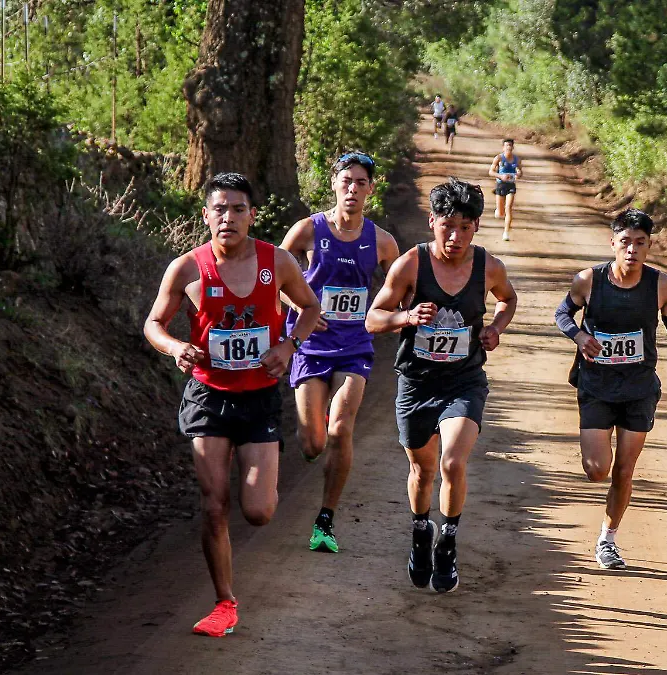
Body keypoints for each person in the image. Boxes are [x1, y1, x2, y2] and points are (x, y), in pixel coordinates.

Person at [143, 172, 321, 636]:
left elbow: (310, 308)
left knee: (258, 511)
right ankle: (225, 603)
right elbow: (153, 324)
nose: (228, 217)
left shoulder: (277, 262)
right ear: (206, 216)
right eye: (219, 209)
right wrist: (175, 347)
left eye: (238, 209)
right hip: (208, 397)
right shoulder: (185, 268)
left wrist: (288, 346)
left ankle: (265, 477)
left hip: (258, 399)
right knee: (214, 504)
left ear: (252, 216)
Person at [365, 177, 517, 593]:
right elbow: (373, 319)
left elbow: (507, 299)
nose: (455, 236)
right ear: (432, 221)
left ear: (477, 227)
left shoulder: (489, 267)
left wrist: (496, 328)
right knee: (422, 469)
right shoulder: (411, 264)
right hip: (416, 382)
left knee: (452, 463)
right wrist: (406, 318)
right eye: (447, 225)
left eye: (465, 227)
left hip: (464, 381)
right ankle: (420, 531)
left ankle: (447, 542)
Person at [553, 208, 667, 570]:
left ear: (649, 247)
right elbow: (562, 315)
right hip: (597, 384)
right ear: (613, 242)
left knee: (624, 470)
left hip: (639, 387)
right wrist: (580, 335)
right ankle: (594, 449)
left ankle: (608, 539)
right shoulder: (589, 280)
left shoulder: (661, 284)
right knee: (597, 469)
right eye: (626, 242)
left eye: (640, 243)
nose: (632, 249)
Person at [279, 152, 400, 553]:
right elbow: (275, 276)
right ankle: (319, 425)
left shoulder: (382, 242)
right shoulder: (307, 230)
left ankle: (325, 520)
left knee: (341, 430)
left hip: (354, 345)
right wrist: (301, 308)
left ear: (370, 189)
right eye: (346, 181)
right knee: (312, 443)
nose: (352, 189)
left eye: (361, 182)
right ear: (333, 183)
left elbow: (400, 287)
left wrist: (394, 313)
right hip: (310, 344)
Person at [488, 139, 522, 241]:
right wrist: (500, 176)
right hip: (500, 185)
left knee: (508, 208)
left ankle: (506, 232)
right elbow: (491, 172)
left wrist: (518, 173)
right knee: (501, 213)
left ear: (513, 147)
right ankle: (498, 210)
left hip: (511, 185)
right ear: (503, 147)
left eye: (510, 145)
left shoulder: (517, 159)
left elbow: (520, 171)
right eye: (507, 145)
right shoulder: (499, 158)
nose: (508, 147)